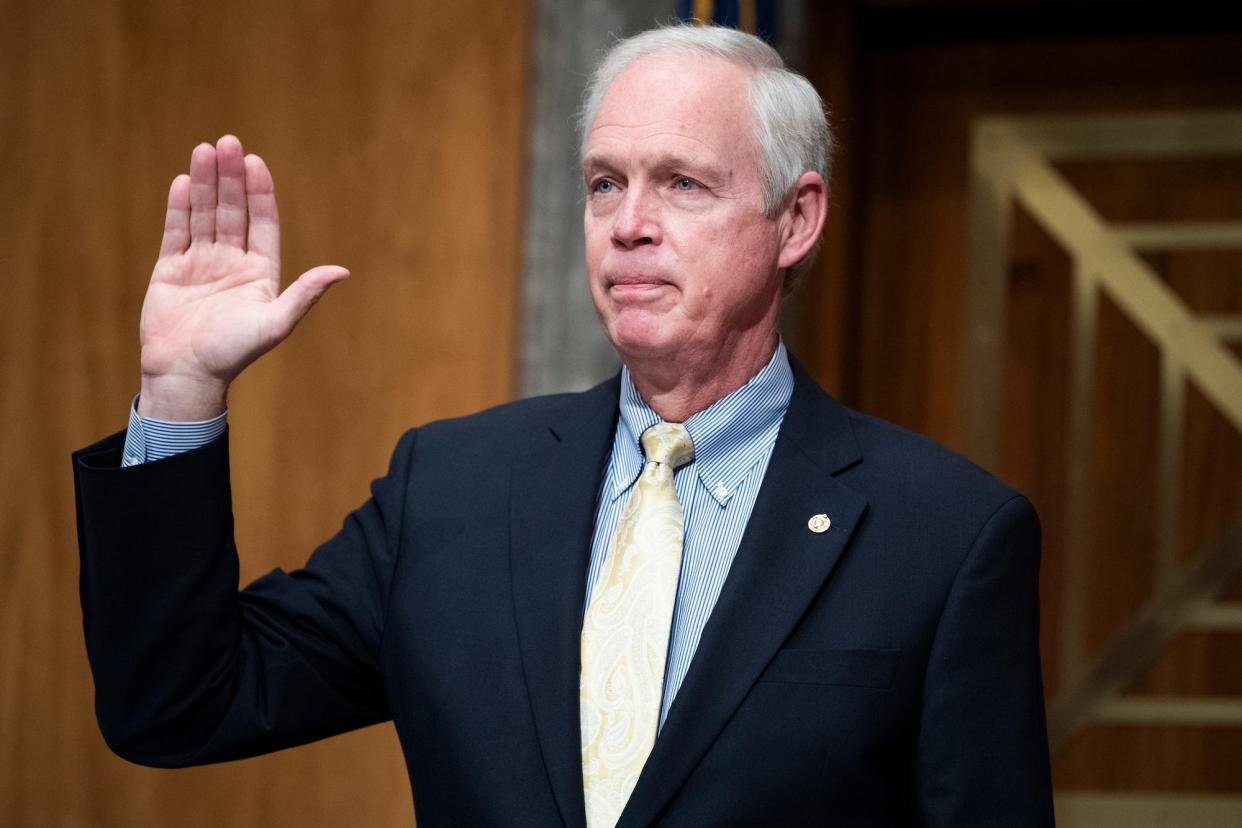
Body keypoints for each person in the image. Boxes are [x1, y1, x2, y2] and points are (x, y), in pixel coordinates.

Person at [73, 24, 1054, 827]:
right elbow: (177, 703)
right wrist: (179, 390)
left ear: (795, 220)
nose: (628, 223)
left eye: (682, 183)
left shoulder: (947, 535)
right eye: (603, 183)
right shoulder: (451, 488)